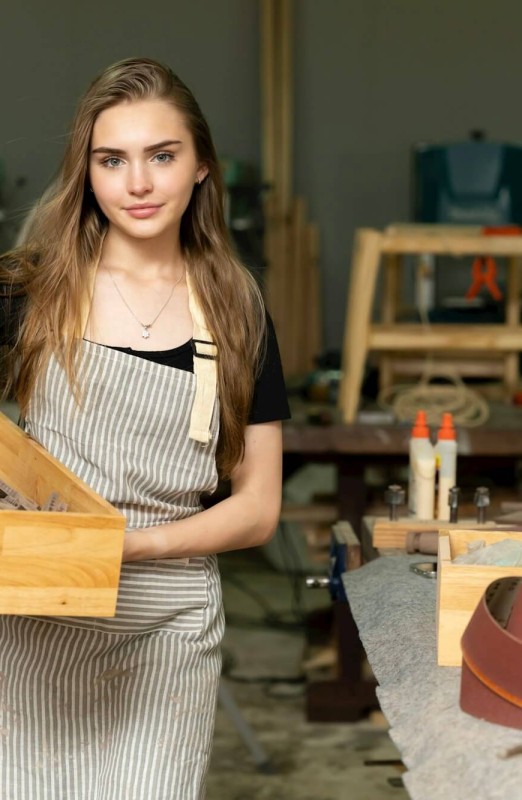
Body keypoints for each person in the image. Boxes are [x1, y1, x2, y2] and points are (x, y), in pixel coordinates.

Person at [0, 56, 290, 799]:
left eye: (162, 156)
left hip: (171, 617)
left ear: (200, 168)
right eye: (112, 160)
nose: (138, 184)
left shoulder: (237, 307)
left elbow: (258, 508)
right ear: (87, 171)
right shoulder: (32, 291)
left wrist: (132, 548)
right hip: (43, 612)